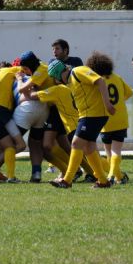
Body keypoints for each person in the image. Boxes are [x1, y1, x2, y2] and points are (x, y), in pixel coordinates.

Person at [47, 54, 116, 189]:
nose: (56, 81)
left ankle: (67, 180)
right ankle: (103, 180)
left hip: (94, 114)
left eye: (55, 78)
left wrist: (107, 104)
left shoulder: (78, 71)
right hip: (87, 115)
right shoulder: (70, 81)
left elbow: (100, 81)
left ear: (58, 73)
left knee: (76, 143)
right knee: (88, 147)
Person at [87, 52, 133, 185]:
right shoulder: (117, 77)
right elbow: (129, 93)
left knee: (108, 151)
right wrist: (119, 102)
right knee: (116, 150)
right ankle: (116, 176)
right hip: (120, 118)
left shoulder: (96, 80)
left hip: (104, 119)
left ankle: (113, 176)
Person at [46, 39, 83, 175]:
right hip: (57, 107)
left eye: (57, 49)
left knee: (75, 141)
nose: (54, 52)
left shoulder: (76, 61)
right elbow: (53, 81)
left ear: (66, 50)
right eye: (53, 49)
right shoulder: (52, 63)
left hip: (73, 108)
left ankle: (84, 170)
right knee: (52, 142)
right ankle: (69, 169)